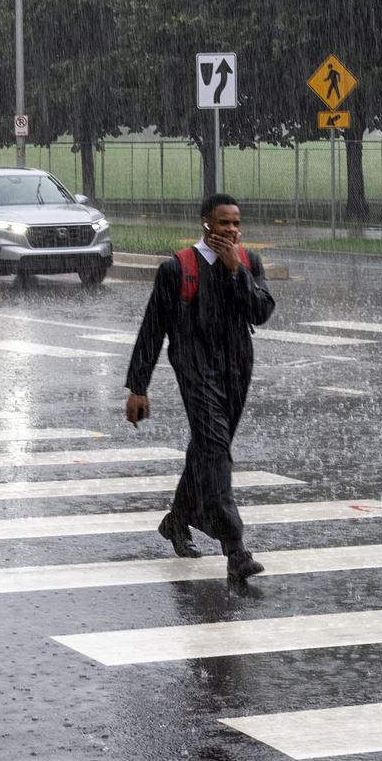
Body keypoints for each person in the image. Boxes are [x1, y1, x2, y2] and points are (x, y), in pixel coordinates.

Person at [124, 194, 275, 580]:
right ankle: (235, 548)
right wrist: (138, 387)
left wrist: (236, 271)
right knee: (216, 451)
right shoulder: (178, 268)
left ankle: (177, 520)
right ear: (206, 222)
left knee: (209, 450)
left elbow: (262, 311)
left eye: (236, 223)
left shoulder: (248, 262)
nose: (232, 230)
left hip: (237, 368)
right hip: (194, 368)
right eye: (224, 222)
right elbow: (152, 329)